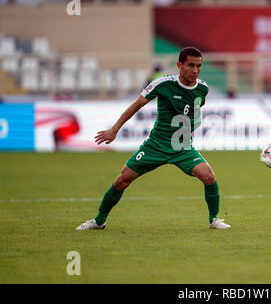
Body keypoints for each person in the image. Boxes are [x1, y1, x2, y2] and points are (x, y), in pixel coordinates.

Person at [76, 47, 230, 230]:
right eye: (190, 65)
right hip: (155, 146)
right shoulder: (163, 84)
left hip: (183, 148)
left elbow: (194, 110)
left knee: (209, 176)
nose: (195, 70)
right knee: (122, 180)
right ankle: (99, 221)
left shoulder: (202, 89)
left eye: (199, 66)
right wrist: (114, 129)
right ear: (179, 65)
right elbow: (136, 105)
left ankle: (214, 220)